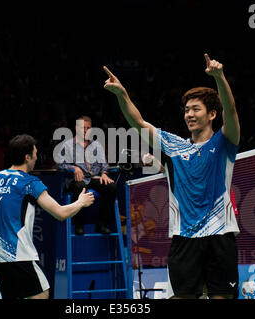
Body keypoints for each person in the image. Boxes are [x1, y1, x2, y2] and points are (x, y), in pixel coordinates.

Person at [103, 53, 240, 299]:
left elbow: (230, 112)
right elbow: (139, 123)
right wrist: (122, 94)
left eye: (195, 109)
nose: (189, 114)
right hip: (184, 238)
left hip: (220, 236)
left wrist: (219, 78)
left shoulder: (224, 142)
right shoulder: (174, 145)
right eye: (186, 109)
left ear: (211, 114)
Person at [0, 134, 95, 299]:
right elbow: (61, 214)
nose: (36, 157)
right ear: (27, 157)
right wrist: (81, 202)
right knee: (42, 294)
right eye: (35, 153)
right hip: (20, 256)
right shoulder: (29, 183)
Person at [57, 115, 116, 235]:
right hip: (76, 179)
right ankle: (79, 224)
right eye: (82, 127)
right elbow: (59, 165)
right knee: (80, 187)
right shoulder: (67, 145)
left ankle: (101, 224)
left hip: (94, 178)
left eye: (88, 128)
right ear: (75, 128)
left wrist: (104, 173)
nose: (85, 130)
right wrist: (73, 168)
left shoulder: (96, 145)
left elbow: (104, 164)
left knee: (111, 187)